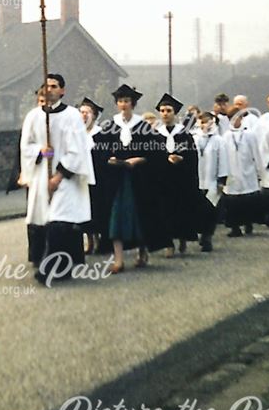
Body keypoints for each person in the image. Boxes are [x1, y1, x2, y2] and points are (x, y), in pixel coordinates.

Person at [19, 74, 95, 284]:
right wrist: (41, 151)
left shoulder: (71, 116)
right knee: (43, 219)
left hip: (66, 177)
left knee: (60, 220)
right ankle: (50, 261)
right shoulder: (34, 116)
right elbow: (26, 146)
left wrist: (59, 175)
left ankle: (50, 268)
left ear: (62, 90)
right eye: (46, 86)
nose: (48, 89)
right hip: (41, 174)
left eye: (53, 86)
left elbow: (77, 150)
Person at [95, 84, 161, 272]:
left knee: (138, 215)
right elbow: (99, 152)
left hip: (139, 179)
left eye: (127, 101)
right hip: (116, 179)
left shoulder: (142, 126)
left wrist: (139, 159)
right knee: (115, 216)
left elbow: (157, 152)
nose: (123, 105)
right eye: (120, 101)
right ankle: (118, 260)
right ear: (116, 104)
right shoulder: (109, 127)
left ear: (133, 104)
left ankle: (142, 252)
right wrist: (110, 159)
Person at [153, 93, 200, 255]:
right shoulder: (156, 135)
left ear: (175, 113)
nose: (165, 113)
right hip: (163, 179)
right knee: (165, 210)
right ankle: (168, 244)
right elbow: (152, 157)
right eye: (162, 110)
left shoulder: (184, 134)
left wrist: (182, 158)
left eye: (168, 110)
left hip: (181, 178)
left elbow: (193, 156)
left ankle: (182, 239)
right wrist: (165, 158)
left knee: (182, 209)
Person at [193, 111, 228, 251]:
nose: (205, 125)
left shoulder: (219, 140)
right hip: (196, 180)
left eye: (208, 122)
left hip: (211, 180)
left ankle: (207, 237)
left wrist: (222, 180)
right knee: (197, 210)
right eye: (202, 122)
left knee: (211, 210)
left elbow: (223, 160)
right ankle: (198, 233)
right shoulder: (193, 138)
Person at [223, 113, 263, 237]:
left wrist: (259, 170)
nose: (235, 121)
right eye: (232, 119)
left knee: (248, 198)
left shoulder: (249, 134)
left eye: (238, 118)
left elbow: (256, 152)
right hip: (232, 172)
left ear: (242, 118)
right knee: (232, 201)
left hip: (247, 170)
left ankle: (248, 223)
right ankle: (235, 227)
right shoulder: (226, 136)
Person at [79, 97, 106, 254]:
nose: (83, 116)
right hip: (83, 178)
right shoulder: (77, 134)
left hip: (98, 177)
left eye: (87, 112)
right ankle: (89, 240)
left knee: (97, 209)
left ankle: (99, 240)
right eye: (81, 112)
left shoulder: (101, 135)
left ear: (94, 116)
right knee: (85, 210)